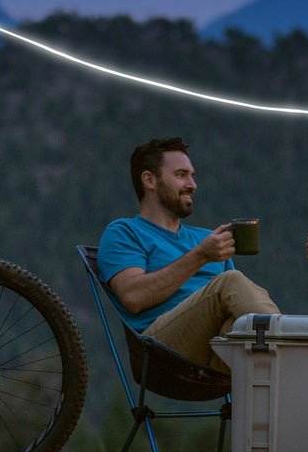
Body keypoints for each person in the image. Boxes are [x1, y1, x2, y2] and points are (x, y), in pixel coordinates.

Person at [98, 136, 279, 371]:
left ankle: (292, 375)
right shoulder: (124, 232)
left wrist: (206, 251)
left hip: (216, 348)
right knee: (230, 282)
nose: (193, 185)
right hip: (162, 350)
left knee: (250, 330)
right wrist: (201, 256)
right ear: (149, 180)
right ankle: (298, 359)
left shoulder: (206, 239)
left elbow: (243, 305)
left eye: (192, 176)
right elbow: (133, 297)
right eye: (181, 175)